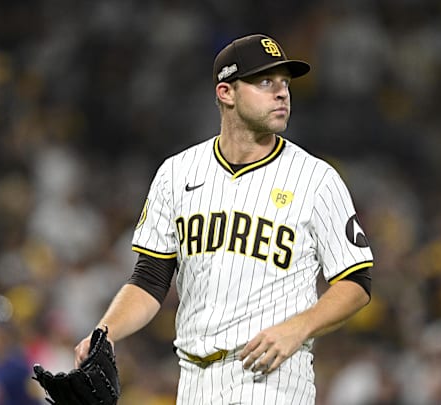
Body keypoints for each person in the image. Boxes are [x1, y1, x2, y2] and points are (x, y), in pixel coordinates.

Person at [74, 33, 374, 405]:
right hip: (193, 381)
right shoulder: (176, 173)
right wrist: (104, 333)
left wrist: (299, 327)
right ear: (226, 93)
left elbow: (356, 282)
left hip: (274, 378)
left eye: (285, 83)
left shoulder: (316, 179)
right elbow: (150, 279)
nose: (282, 93)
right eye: (265, 82)